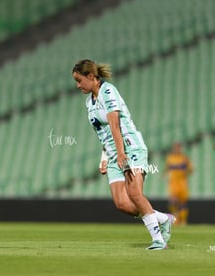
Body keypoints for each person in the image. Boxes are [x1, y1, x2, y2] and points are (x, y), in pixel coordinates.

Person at [72, 59, 175, 250]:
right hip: (113, 154)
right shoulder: (89, 103)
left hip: (130, 148)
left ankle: (159, 240)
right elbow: (104, 134)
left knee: (135, 193)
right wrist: (105, 158)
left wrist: (121, 154)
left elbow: (115, 125)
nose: (78, 86)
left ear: (91, 77)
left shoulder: (108, 91)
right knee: (122, 204)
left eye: (79, 80)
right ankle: (163, 218)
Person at [164, 142, 193, 225]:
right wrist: (164, 176)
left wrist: (186, 172)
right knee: (173, 201)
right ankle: (176, 220)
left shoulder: (184, 158)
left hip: (182, 183)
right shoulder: (170, 158)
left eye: (178, 147)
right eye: (175, 147)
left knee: (182, 203)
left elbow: (191, 170)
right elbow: (167, 168)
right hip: (173, 183)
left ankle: (183, 221)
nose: (177, 149)